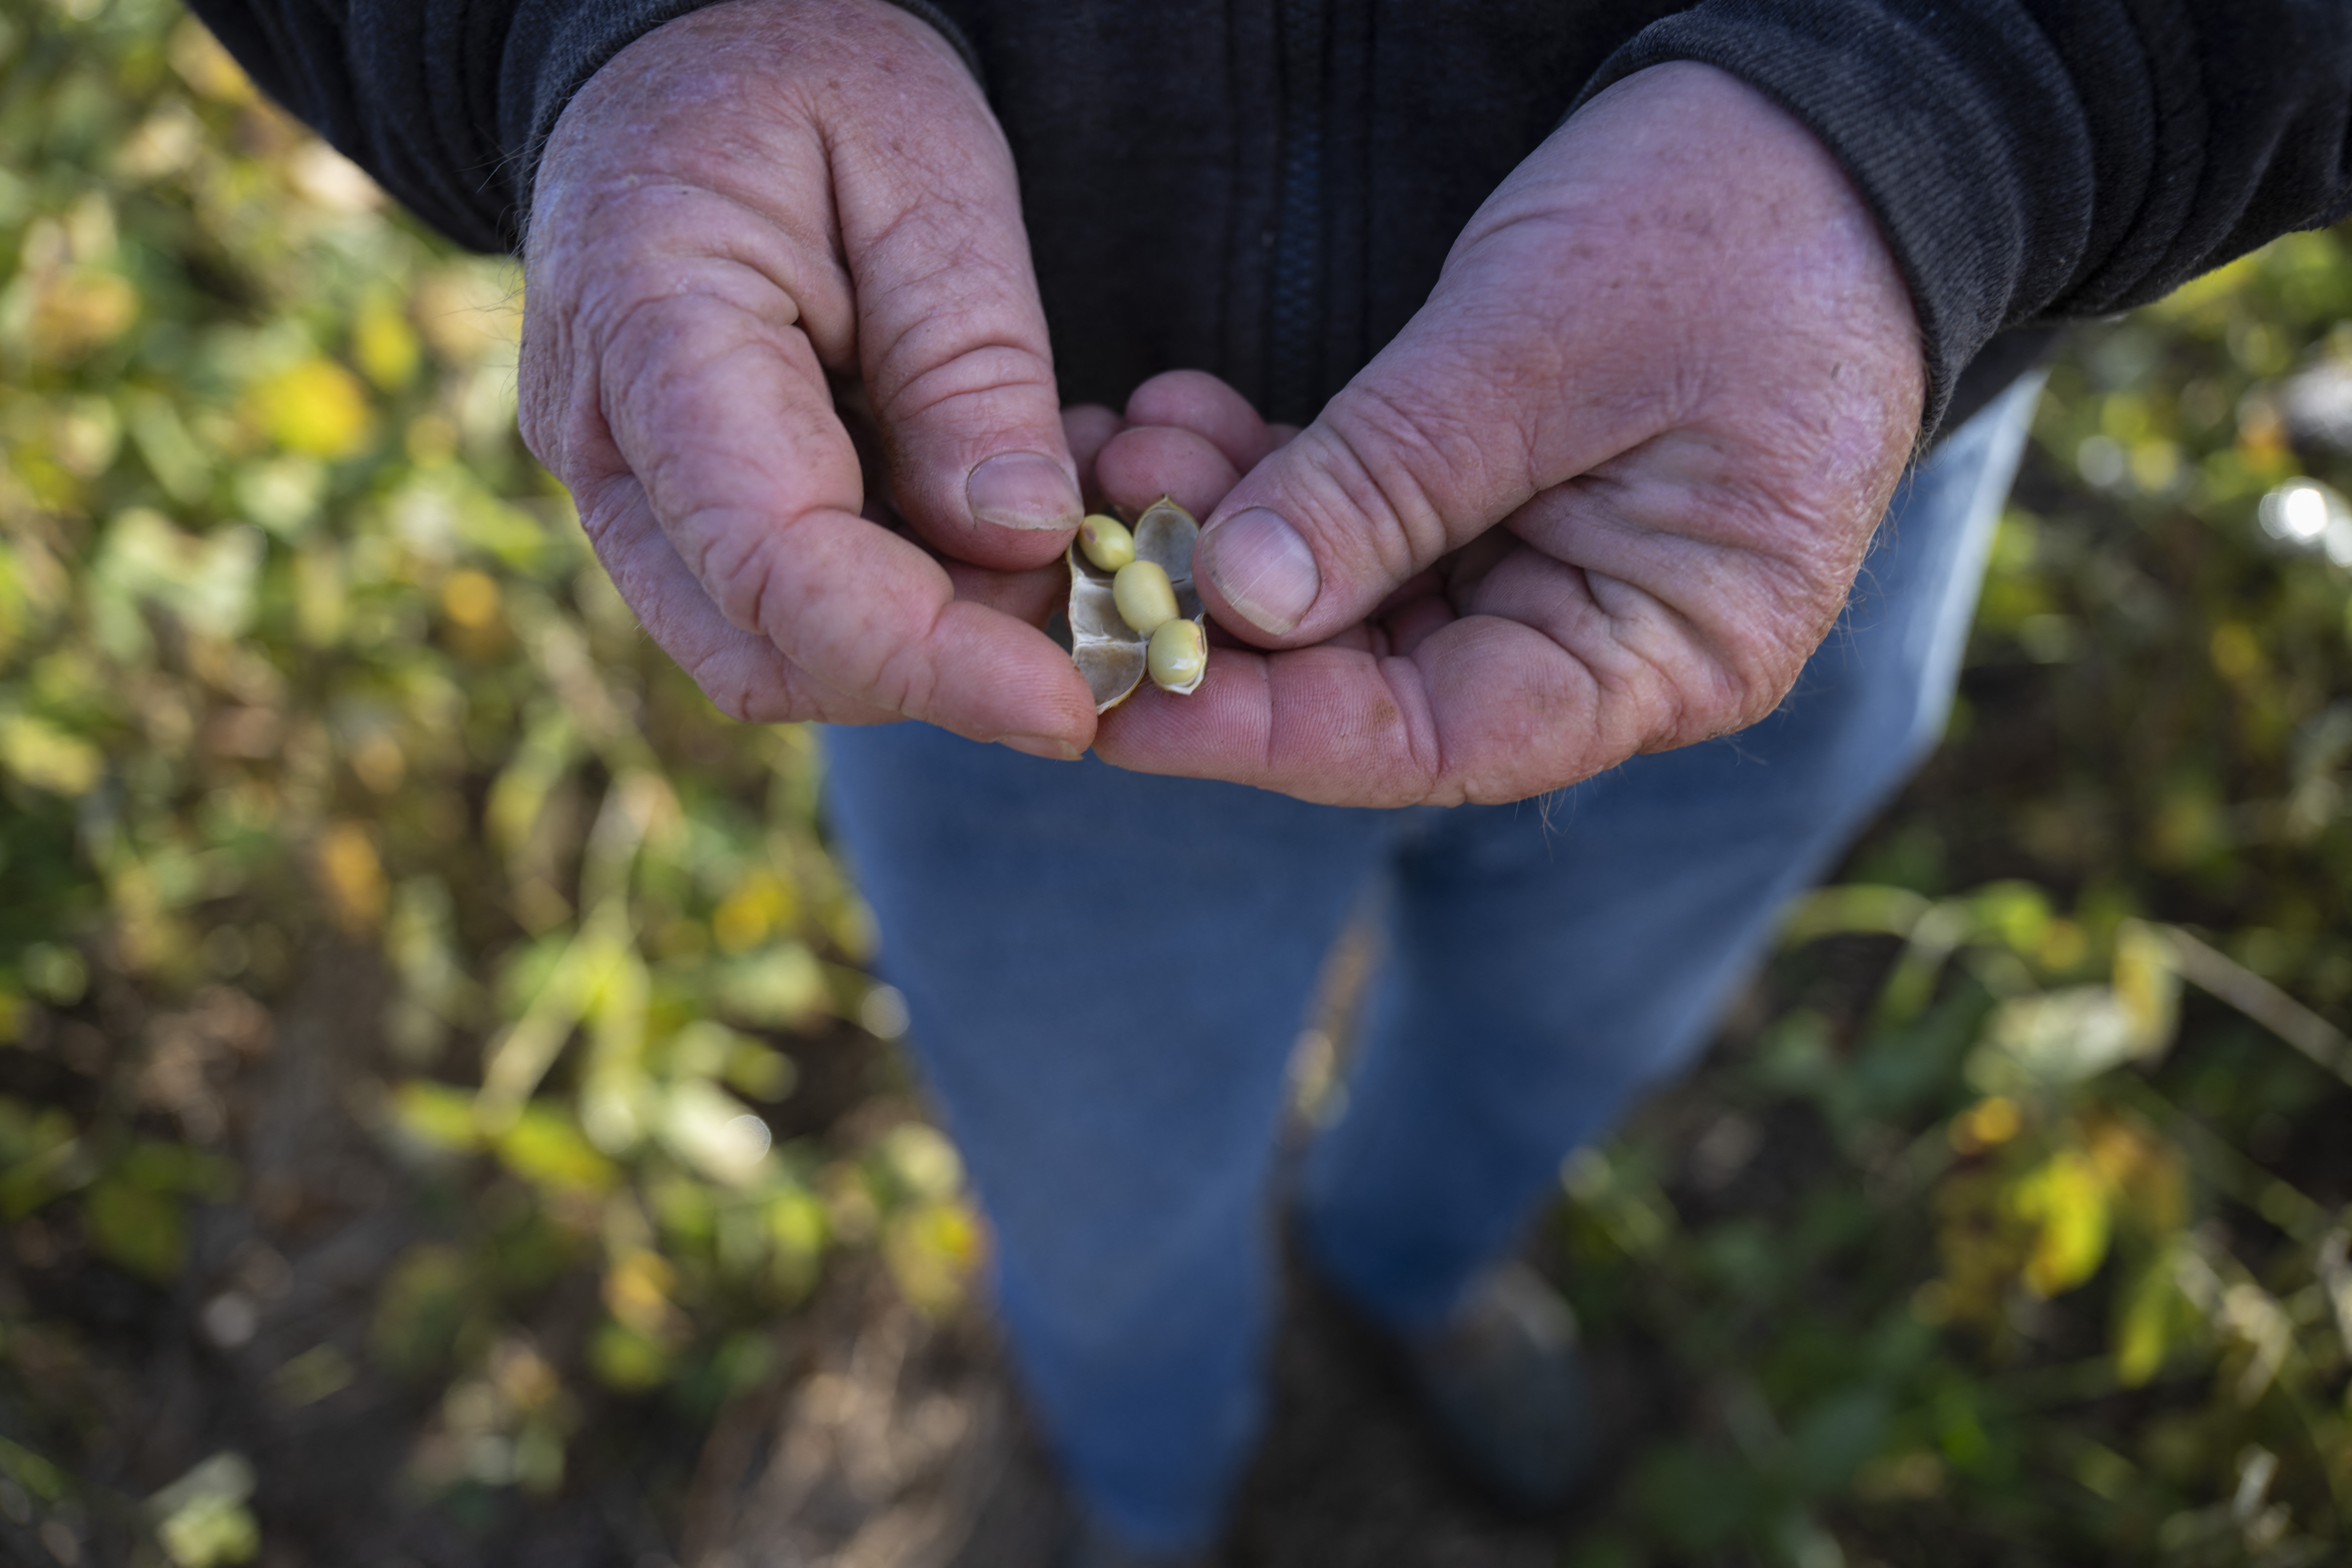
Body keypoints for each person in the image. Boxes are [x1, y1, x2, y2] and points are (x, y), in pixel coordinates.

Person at [186, 1, 2352, 1562]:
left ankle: (1411, 1266)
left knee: (1576, 1020)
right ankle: (1149, 1480)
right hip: (998, 567)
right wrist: (598, 38)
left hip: (1811, 421)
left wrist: (1976, 99)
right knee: (1098, 1170)